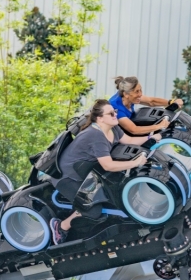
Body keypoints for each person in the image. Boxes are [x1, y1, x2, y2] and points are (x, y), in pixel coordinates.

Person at [49, 100, 162, 243]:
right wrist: (135, 163)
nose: (115, 114)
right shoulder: (96, 136)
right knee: (93, 212)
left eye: (115, 111)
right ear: (100, 118)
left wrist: (150, 137)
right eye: (111, 113)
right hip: (68, 178)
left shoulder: (113, 128)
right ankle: (61, 226)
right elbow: (108, 165)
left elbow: (129, 139)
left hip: (85, 172)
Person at [109, 76, 185, 136]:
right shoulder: (115, 106)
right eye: (137, 92)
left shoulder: (130, 97)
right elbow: (133, 130)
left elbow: (151, 101)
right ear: (126, 94)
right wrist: (159, 126)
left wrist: (171, 102)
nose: (140, 94)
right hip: (120, 138)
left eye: (140, 90)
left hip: (131, 126)